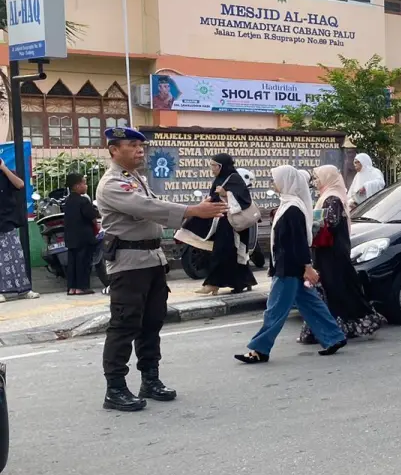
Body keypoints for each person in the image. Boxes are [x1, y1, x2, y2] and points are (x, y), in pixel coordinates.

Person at [96, 126, 228, 412]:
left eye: (141, 146)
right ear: (114, 150)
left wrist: (196, 210)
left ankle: (150, 379)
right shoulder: (112, 183)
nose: (139, 150)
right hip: (129, 264)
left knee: (152, 323)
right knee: (124, 325)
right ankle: (115, 388)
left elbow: (155, 205)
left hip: (152, 259)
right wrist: (193, 210)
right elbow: (146, 208)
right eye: (132, 146)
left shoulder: (136, 179)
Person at [235, 166, 347, 364]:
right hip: (289, 265)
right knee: (311, 304)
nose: (272, 183)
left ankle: (260, 349)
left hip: (289, 267)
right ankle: (334, 337)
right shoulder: (287, 204)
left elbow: (299, 241)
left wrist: (307, 266)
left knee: (274, 310)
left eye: (275, 179)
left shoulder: (293, 209)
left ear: (286, 181)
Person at [298, 165, 386, 344]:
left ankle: (335, 329)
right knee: (333, 288)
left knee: (335, 288)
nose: (316, 181)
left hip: (332, 253)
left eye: (318, 177)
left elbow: (330, 223)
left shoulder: (332, 198)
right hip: (328, 251)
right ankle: (331, 328)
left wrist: (309, 224)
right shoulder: (328, 196)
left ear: (328, 177)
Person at [182, 154, 257, 295]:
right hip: (222, 221)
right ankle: (243, 281)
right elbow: (214, 198)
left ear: (221, 166)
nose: (211, 168)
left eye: (214, 165)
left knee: (222, 253)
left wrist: (225, 194)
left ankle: (212, 284)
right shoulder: (220, 179)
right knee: (228, 254)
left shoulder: (234, 179)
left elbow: (244, 200)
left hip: (233, 225)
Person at [0, 157, 36, 303]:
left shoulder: (6, 173)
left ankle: (24, 290)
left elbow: (20, 184)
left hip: (7, 221)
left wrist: (4, 168)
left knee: (16, 256)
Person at [64, 172, 100, 296]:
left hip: (71, 237)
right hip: (84, 237)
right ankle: (82, 287)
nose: (86, 186)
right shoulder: (83, 200)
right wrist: (96, 224)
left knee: (72, 263)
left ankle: (72, 288)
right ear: (76, 186)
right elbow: (92, 216)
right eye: (84, 183)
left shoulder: (68, 201)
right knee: (83, 263)